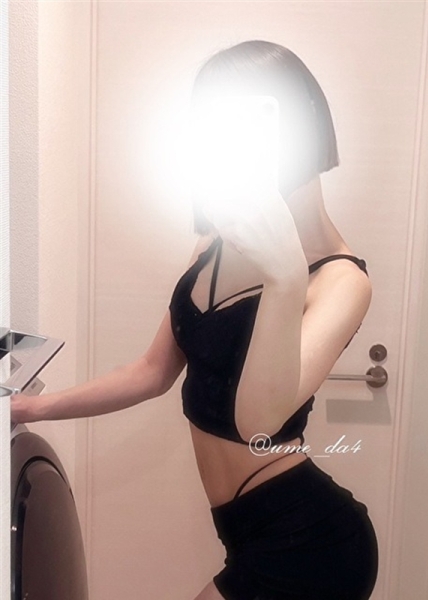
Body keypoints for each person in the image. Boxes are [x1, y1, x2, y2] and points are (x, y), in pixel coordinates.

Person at [11, 40, 379, 600]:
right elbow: (151, 371)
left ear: (298, 126)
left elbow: (257, 422)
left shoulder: (340, 281)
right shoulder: (212, 247)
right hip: (246, 539)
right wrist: (31, 408)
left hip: (312, 545)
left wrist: (285, 278)